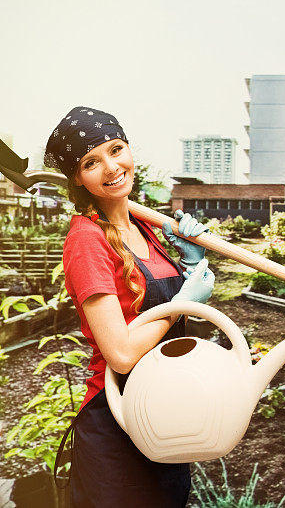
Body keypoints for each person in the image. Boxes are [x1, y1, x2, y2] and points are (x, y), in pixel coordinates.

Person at [44, 106, 214, 507]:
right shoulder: (87, 240)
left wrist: (189, 263)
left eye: (116, 149)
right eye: (91, 162)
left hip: (164, 411)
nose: (111, 167)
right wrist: (180, 303)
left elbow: (173, 323)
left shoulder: (144, 229)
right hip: (116, 418)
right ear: (77, 178)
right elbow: (120, 353)